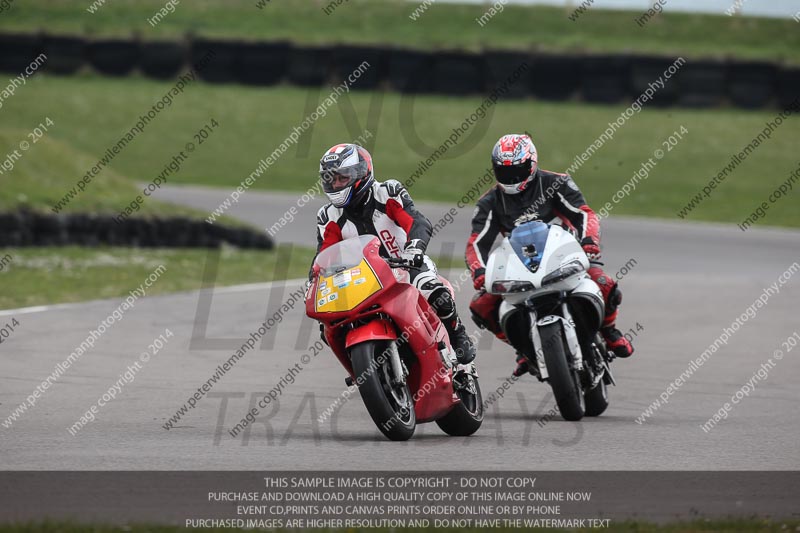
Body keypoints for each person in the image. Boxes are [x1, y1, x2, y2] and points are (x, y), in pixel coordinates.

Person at [466, 134, 633, 376]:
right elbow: (476, 242)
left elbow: (584, 214)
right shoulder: (489, 202)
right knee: (480, 305)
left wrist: (589, 241)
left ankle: (609, 330)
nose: (511, 177)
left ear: (531, 164)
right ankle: (523, 348)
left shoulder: (557, 182)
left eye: (518, 170)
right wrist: (479, 271)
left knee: (604, 283)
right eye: (504, 171)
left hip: (564, 253)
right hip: (521, 263)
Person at [309, 143, 476, 364]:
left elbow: (416, 221)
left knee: (432, 289)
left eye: (342, 178)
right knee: (329, 325)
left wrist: (414, 248)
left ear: (361, 172)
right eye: (331, 179)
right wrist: (314, 280)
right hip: (362, 279)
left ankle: (458, 335)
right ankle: (363, 367)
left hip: (405, 265)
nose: (336, 184)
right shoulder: (327, 216)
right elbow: (324, 253)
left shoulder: (387, 192)